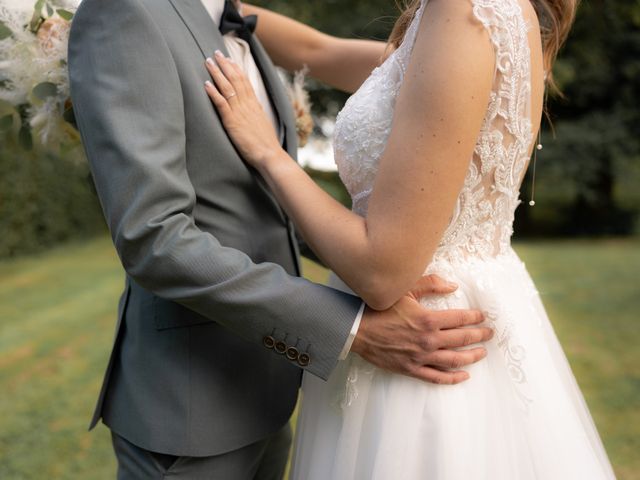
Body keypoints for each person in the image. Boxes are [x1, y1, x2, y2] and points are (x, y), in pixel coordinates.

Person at [67, 0, 494, 478]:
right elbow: (154, 238)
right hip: (189, 408)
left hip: (268, 389)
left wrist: (373, 252)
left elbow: (261, 209)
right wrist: (350, 330)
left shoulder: (238, 25)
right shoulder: (124, 12)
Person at [204, 0, 617, 478]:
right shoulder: (488, 11)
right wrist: (214, 6)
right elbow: (319, 49)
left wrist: (266, 153)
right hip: (469, 314)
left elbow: (381, 272)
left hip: (421, 343)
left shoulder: (461, 10)